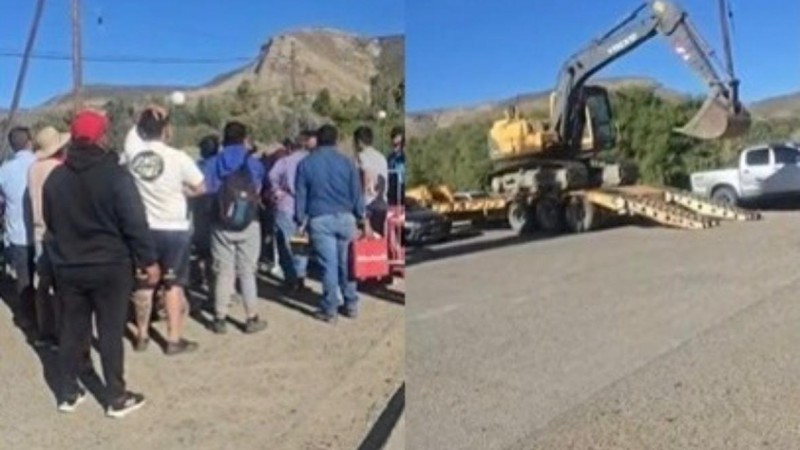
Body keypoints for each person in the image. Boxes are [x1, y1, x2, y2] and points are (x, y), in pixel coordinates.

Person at [43, 109, 159, 417]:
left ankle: (68, 393)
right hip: (111, 265)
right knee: (110, 332)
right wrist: (148, 259)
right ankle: (116, 397)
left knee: (71, 329)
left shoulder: (56, 178)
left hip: (69, 265)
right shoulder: (116, 176)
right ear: (101, 137)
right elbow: (134, 222)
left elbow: (50, 221)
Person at [124, 107, 205, 355]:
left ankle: (142, 334)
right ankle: (173, 339)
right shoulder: (178, 157)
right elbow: (201, 187)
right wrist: (184, 192)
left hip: (145, 228)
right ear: (166, 130)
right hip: (174, 229)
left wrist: (143, 114)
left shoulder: (133, 155)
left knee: (144, 284)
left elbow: (130, 137)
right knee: (173, 284)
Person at [295, 124, 367, 323]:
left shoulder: (306, 164)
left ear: (317, 140)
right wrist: (361, 217)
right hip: (346, 218)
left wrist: (300, 220)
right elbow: (356, 193)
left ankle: (330, 308)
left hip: (319, 219)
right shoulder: (347, 163)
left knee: (329, 265)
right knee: (347, 264)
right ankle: (351, 303)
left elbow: (301, 195)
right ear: (336, 140)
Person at [203, 121, 268, 335]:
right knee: (247, 271)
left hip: (221, 221)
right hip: (249, 220)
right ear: (244, 138)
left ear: (224, 138)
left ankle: (220, 318)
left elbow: (207, 189)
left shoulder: (214, 162)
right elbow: (259, 186)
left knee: (224, 272)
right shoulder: (253, 162)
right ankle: (251, 317)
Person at [27, 126, 70, 349]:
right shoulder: (61, 169)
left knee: (42, 285)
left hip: (38, 230)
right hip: (58, 232)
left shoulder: (33, 169)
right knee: (62, 287)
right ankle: (64, 333)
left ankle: (45, 332)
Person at [0, 127, 38, 336]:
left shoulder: (5, 169)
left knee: (24, 279)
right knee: (47, 279)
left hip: (17, 235)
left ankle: (28, 318)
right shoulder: (38, 163)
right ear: (29, 142)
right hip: (43, 232)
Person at [269, 130, 312, 291]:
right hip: (305, 205)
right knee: (301, 243)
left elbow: (272, 176)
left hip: (286, 203)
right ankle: (300, 276)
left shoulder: (285, 162)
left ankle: (290, 277)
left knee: (284, 242)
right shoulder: (309, 160)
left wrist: (276, 190)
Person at [190, 134, 220, 291]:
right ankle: (216, 286)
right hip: (219, 208)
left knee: (201, 250)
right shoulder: (222, 165)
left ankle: (200, 280)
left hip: (201, 207)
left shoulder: (197, 166)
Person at [354, 126, 389, 235]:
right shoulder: (381, 157)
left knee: (367, 241)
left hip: (369, 203)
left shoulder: (362, 156)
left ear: (359, 142)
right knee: (379, 238)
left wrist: (362, 208)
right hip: (382, 202)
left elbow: (366, 174)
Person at [387, 126, 405, 207]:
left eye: (399, 144)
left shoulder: (404, 156)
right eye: (395, 144)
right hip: (392, 192)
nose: (397, 147)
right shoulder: (390, 157)